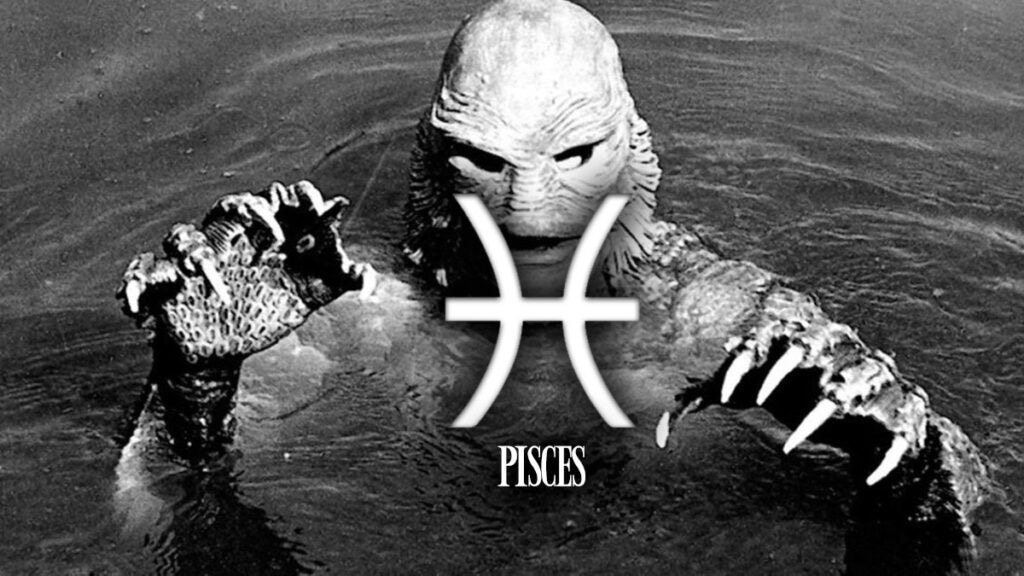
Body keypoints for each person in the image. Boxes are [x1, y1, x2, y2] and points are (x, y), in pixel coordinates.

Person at [117, 1, 988, 572]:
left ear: (634, 148)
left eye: (573, 157)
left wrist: (911, 473)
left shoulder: (711, 312)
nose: (529, 211)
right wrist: (196, 386)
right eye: (484, 161)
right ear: (432, 160)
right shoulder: (349, 302)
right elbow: (162, 514)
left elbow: (964, 503)